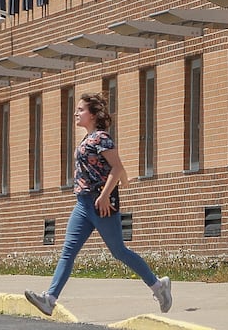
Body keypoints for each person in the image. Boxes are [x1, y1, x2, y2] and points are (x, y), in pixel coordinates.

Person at [25, 92, 172, 316]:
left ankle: (158, 286)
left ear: (92, 114)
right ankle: (50, 299)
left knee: (119, 251)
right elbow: (116, 170)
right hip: (83, 204)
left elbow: (116, 166)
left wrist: (105, 195)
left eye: (81, 110)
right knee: (68, 252)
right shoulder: (87, 139)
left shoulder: (101, 138)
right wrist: (123, 181)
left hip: (101, 204)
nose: (76, 113)